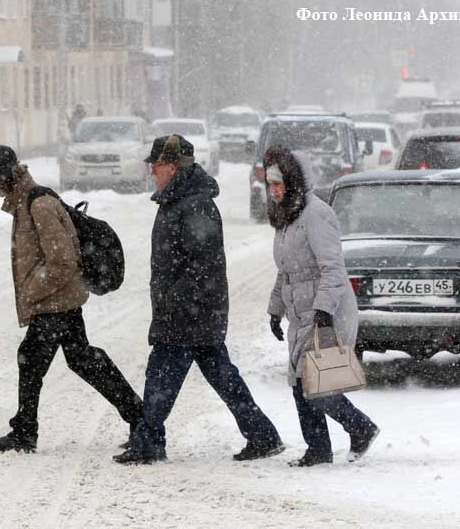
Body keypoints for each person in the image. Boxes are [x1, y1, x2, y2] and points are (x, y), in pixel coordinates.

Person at [113, 135, 284, 465]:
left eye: (157, 165)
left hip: (189, 312)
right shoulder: (180, 200)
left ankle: (149, 440)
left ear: (173, 167)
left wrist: (174, 303)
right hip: (193, 311)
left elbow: (201, 266)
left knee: (162, 374)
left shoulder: (194, 204)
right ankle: (263, 436)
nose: (153, 172)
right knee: (222, 376)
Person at [0, 145, 144, 453]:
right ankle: (140, 417)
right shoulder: (25, 202)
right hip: (58, 299)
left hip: (56, 301)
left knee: (31, 358)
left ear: (5, 175)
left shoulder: (40, 205)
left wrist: (31, 291)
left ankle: (25, 432)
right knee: (82, 360)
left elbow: (62, 262)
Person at [264, 145, 380, 467]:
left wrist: (323, 309)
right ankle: (319, 448)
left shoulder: (315, 214)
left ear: (294, 182)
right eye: (269, 185)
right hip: (301, 313)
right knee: (302, 383)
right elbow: (286, 271)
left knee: (315, 383)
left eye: (278, 184)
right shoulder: (288, 216)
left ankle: (360, 428)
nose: (273, 191)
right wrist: (275, 309)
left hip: (327, 311)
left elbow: (333, 268)